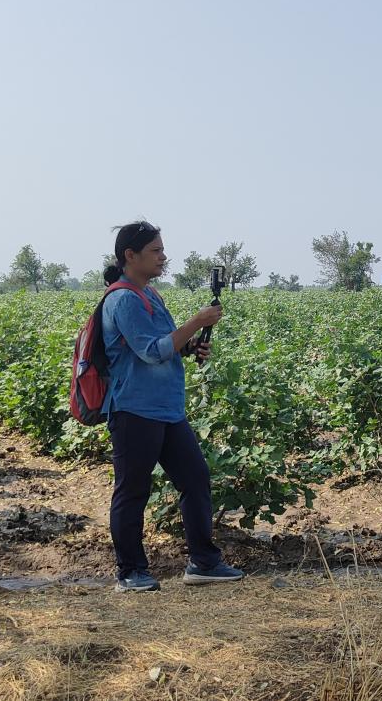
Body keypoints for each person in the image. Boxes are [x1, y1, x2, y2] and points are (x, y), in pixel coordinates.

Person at [99, 220, 244, 591]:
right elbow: (150, 351)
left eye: (163, 250)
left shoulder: (151, 295)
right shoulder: (123, 299)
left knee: (195, 479)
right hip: (134, 411)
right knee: (132, 491)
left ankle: (204, 563)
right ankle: (130, 571)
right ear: (130, 256)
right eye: (156, 251)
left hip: (166, 409)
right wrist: (196, 322)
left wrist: (189, 345)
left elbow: (166, 343)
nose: (164, 257)